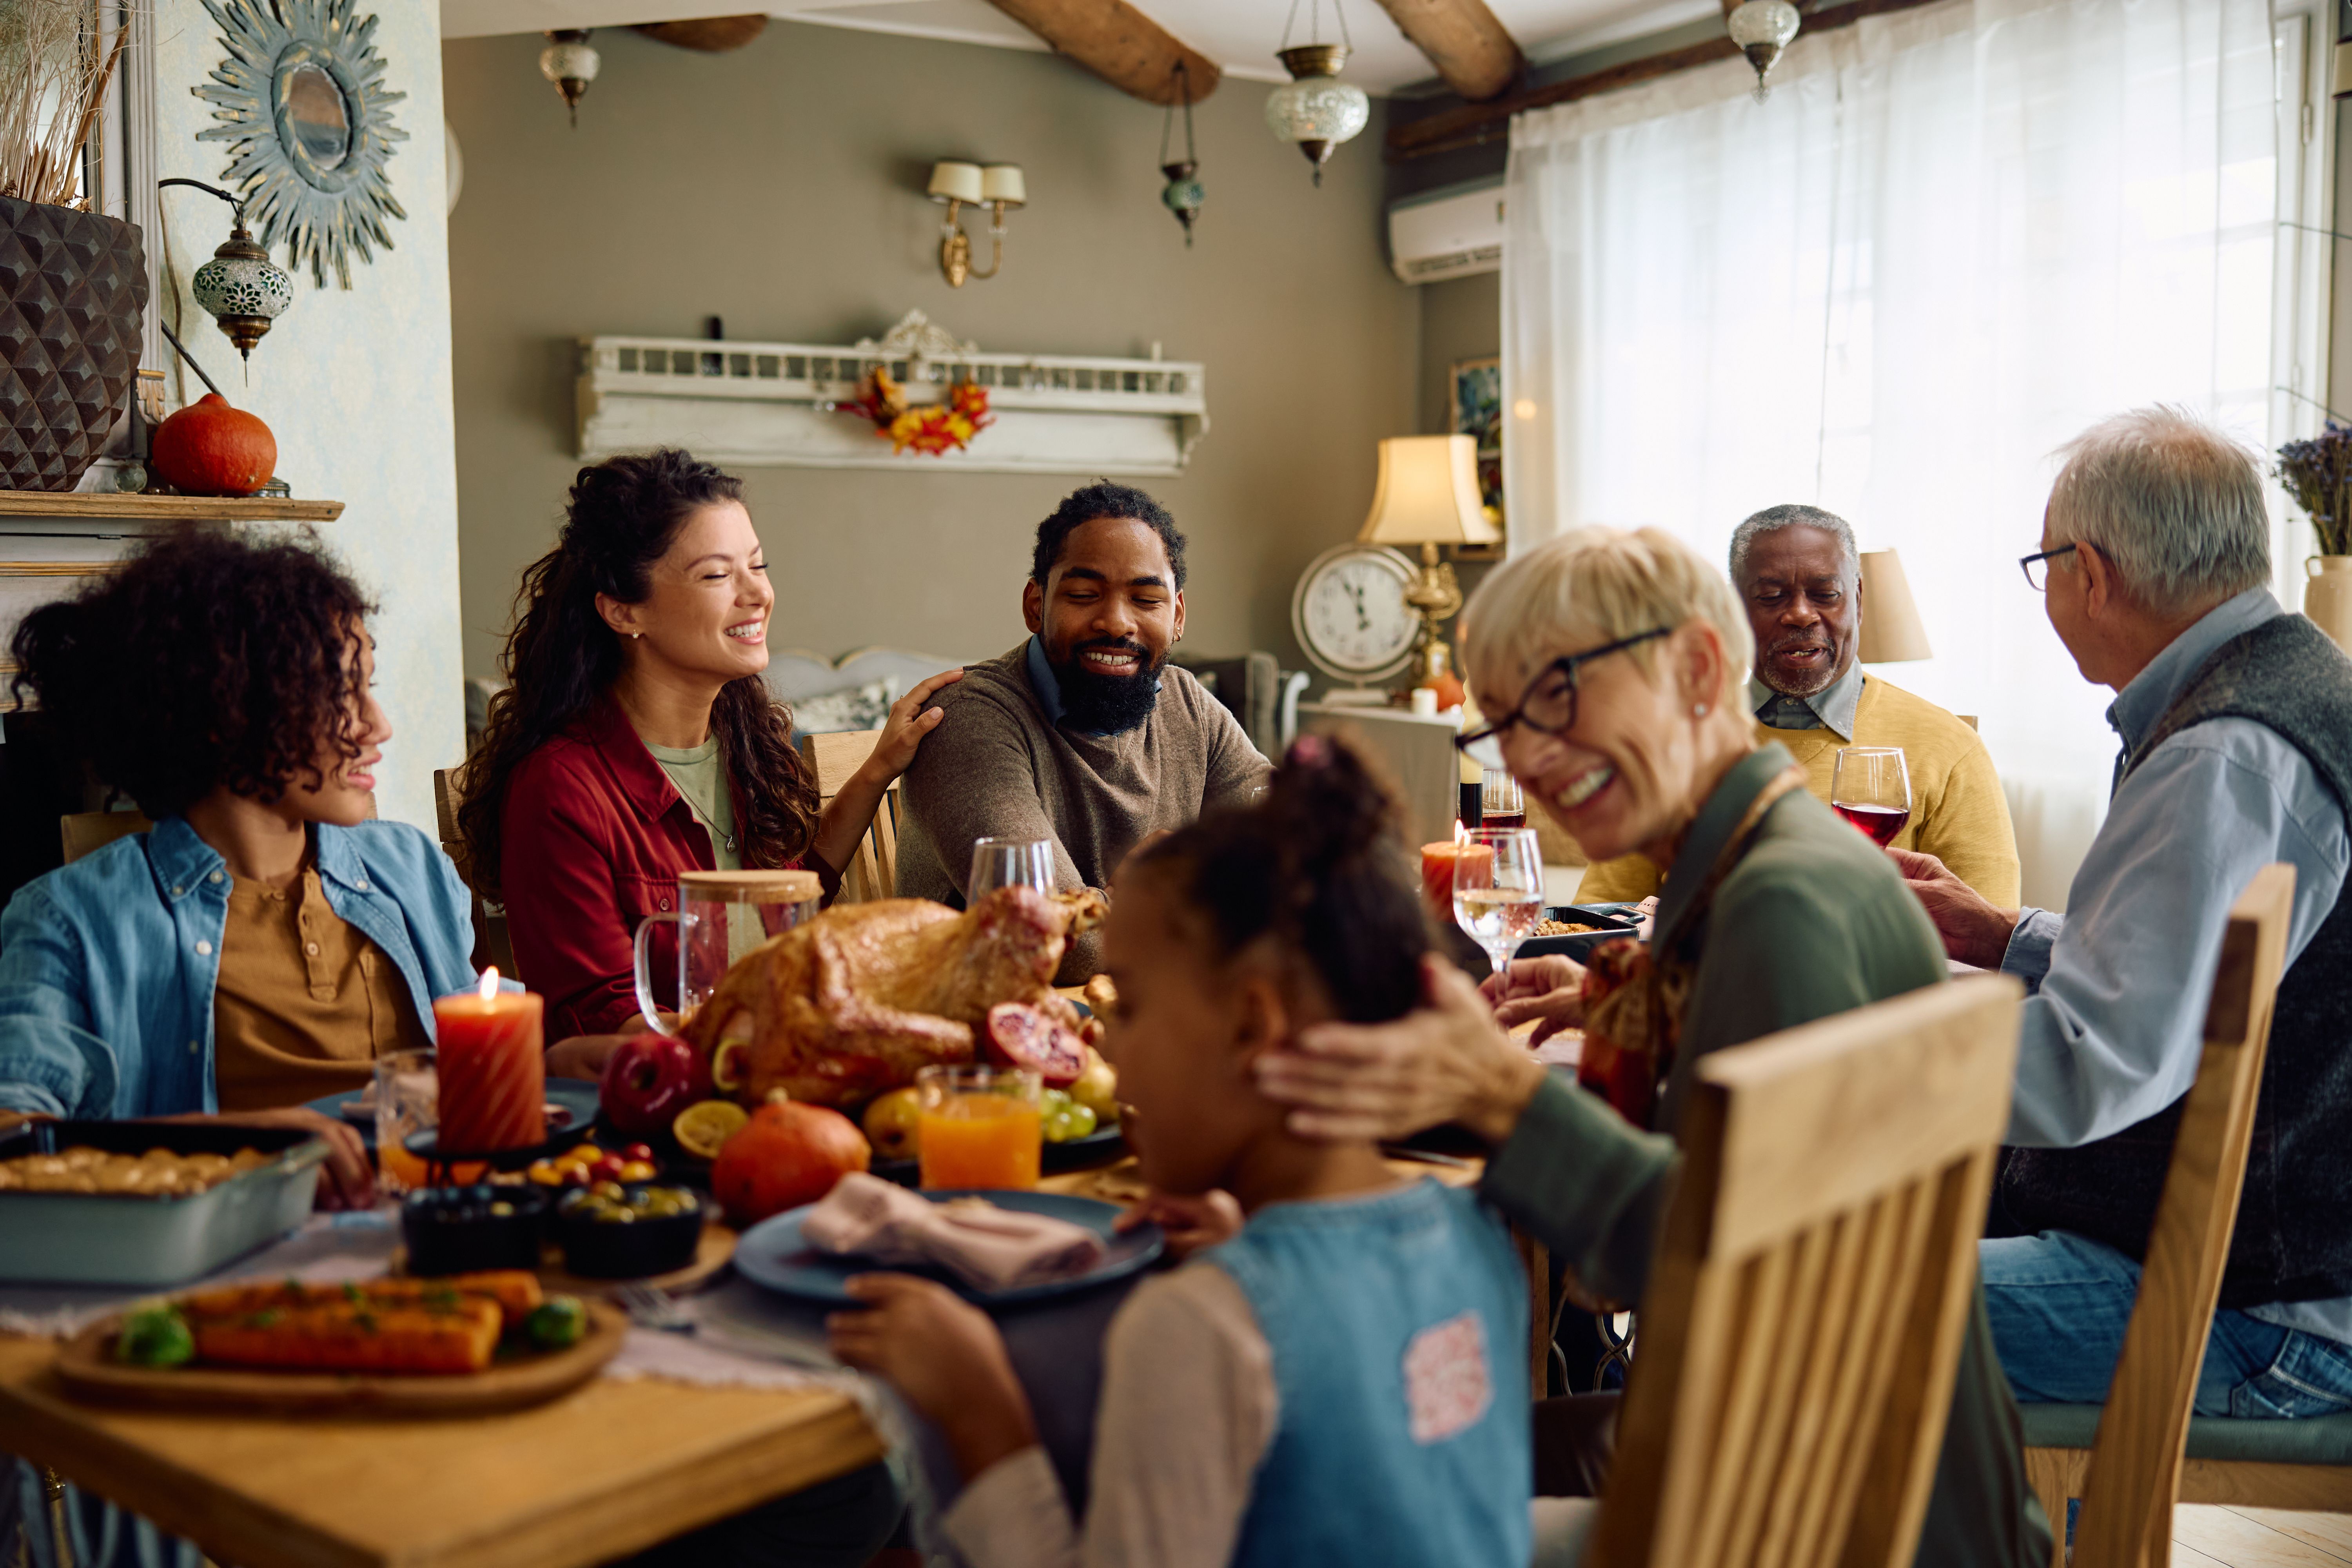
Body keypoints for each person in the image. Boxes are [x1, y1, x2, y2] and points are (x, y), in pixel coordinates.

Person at [1250, 526, 2051, 1566]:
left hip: (1826, 1514)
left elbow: (1735, 1284)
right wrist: (1625, 1002)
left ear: (1700, 670)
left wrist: (1504, 1095)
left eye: (1556, 698)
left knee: (1314, 1497)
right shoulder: (1764, 862)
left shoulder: (1783, 903)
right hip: (1859, 1472)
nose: (1530, 755)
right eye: (1504, 722)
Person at [830, 737, 1532, 1566]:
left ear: (1251, 1026)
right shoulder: (1483, 1237)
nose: (1110, 1053)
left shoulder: (1200, 1326)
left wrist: (978, 1400)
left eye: (1126, 1004)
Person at [1893, 407, 2352, 1420]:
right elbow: (2202, 988)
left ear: (2088, 573)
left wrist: (1859, 1030)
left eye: (2043, 565)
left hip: (2265, 1311)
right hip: (2291, 1269)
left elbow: (2087, 1071)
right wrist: (2007, 938)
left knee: (1799, 1298)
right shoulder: (2295, 683)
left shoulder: (2221, 755)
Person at [460, 449, 959, 1050]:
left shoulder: (742, 744)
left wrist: (878, 768)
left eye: (758, 565)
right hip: (656, 1110)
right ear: (624, 610)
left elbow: (781, 912)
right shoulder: (561, 788)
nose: (758, 595)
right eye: (718, 576)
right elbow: (608, 1025)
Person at [893, 483, 1271, 982]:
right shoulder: (969, 716)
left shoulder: (1187, 703)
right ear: (1035, 605)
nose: (1116, 622)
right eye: (1084, 595)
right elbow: (1059, 950)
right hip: (977, 1035)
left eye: (1145, 598)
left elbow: (1297, 857)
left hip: (1137, 1021)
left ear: (1177, 616)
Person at [1577, 504, 2019, 906]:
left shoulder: (1951, 751)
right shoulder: (1670, 741)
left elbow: (1985, 955)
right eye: (1771, 597)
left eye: (1826, 594)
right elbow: (1596, 924)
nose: (1801, 615)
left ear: (1859, 601)